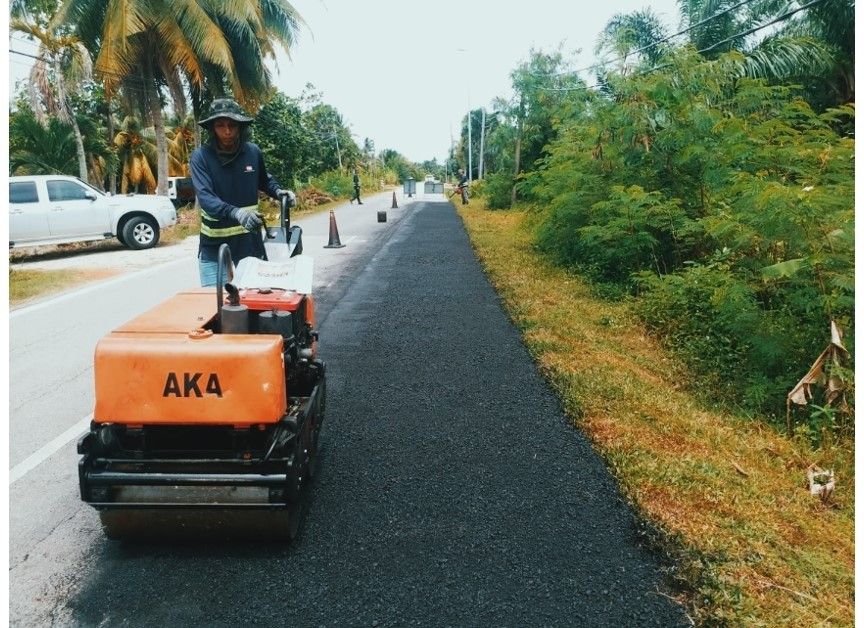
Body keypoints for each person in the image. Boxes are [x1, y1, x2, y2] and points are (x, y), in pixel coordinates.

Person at [190, 98, 287, 287]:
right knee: (217, 305)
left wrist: (280, 192)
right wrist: (236, 212)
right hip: (214, 244)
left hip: (248, 242)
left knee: (255, 301)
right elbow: (206, 198)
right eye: (220, 125)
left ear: (240, 127)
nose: (227, 131)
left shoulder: (252, 152)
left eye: (232, 125)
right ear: (212, 128)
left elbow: (265, 181)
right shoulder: (201, 157)